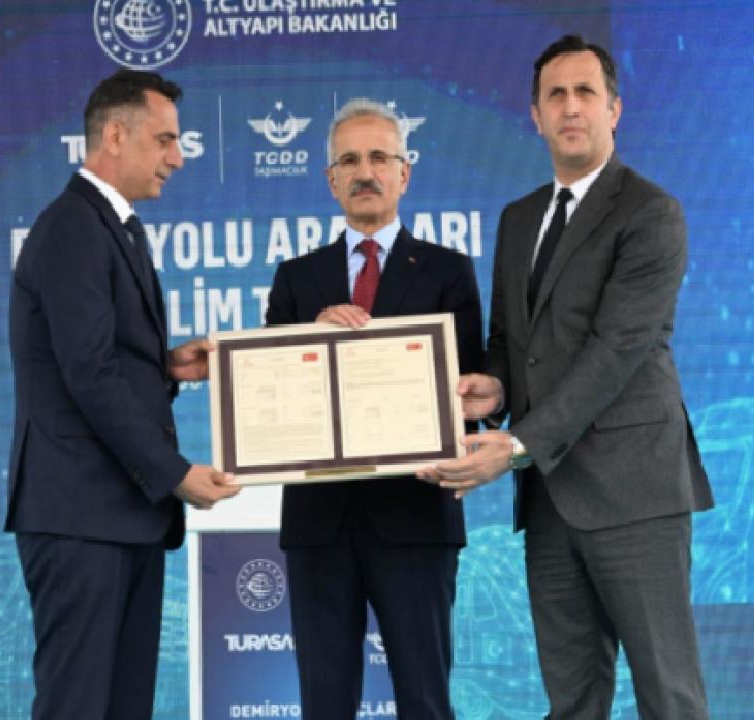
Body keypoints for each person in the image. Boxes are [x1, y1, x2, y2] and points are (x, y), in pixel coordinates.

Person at [420, 35, 712, 718]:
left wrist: (517, 444)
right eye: (556, 95)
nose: (571, 107)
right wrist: (493, 389)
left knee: (668, 695)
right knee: (573, 700)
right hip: (551, 501)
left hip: (635, 492)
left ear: (615, 109)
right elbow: (509, 342)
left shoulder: (651, 212)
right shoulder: (519, 219)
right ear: (536, 115)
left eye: (586, 92)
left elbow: (617, 350)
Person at [7, 68, 240, 719]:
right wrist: (175, 474)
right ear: (115, 135)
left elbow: (91, 361)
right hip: (82, 519)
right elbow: (88, 375)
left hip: (119, 515)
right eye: (165, 139)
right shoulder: (73, 228)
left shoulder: (111, 226)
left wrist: (164, 369)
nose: (179, 156)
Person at [264, 98, 483, 719]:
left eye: (380, 157)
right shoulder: (296, 279)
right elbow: (269, 397)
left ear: (404, 173)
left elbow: (471, 387)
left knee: (424, 700)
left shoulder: (447, 271)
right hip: (319, 522)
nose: (366, 172)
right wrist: (309, 337)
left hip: (416, 515)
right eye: (350, 161)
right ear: (330, 179)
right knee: (324, 704)